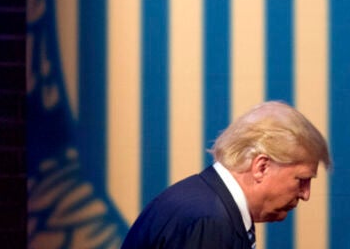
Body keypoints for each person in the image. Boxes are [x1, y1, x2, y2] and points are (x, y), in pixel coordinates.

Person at [120, 100, 331, 248]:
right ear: (262, 167)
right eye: (301, 180)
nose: (306, 194)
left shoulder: (209, 208)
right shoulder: (209, 222)